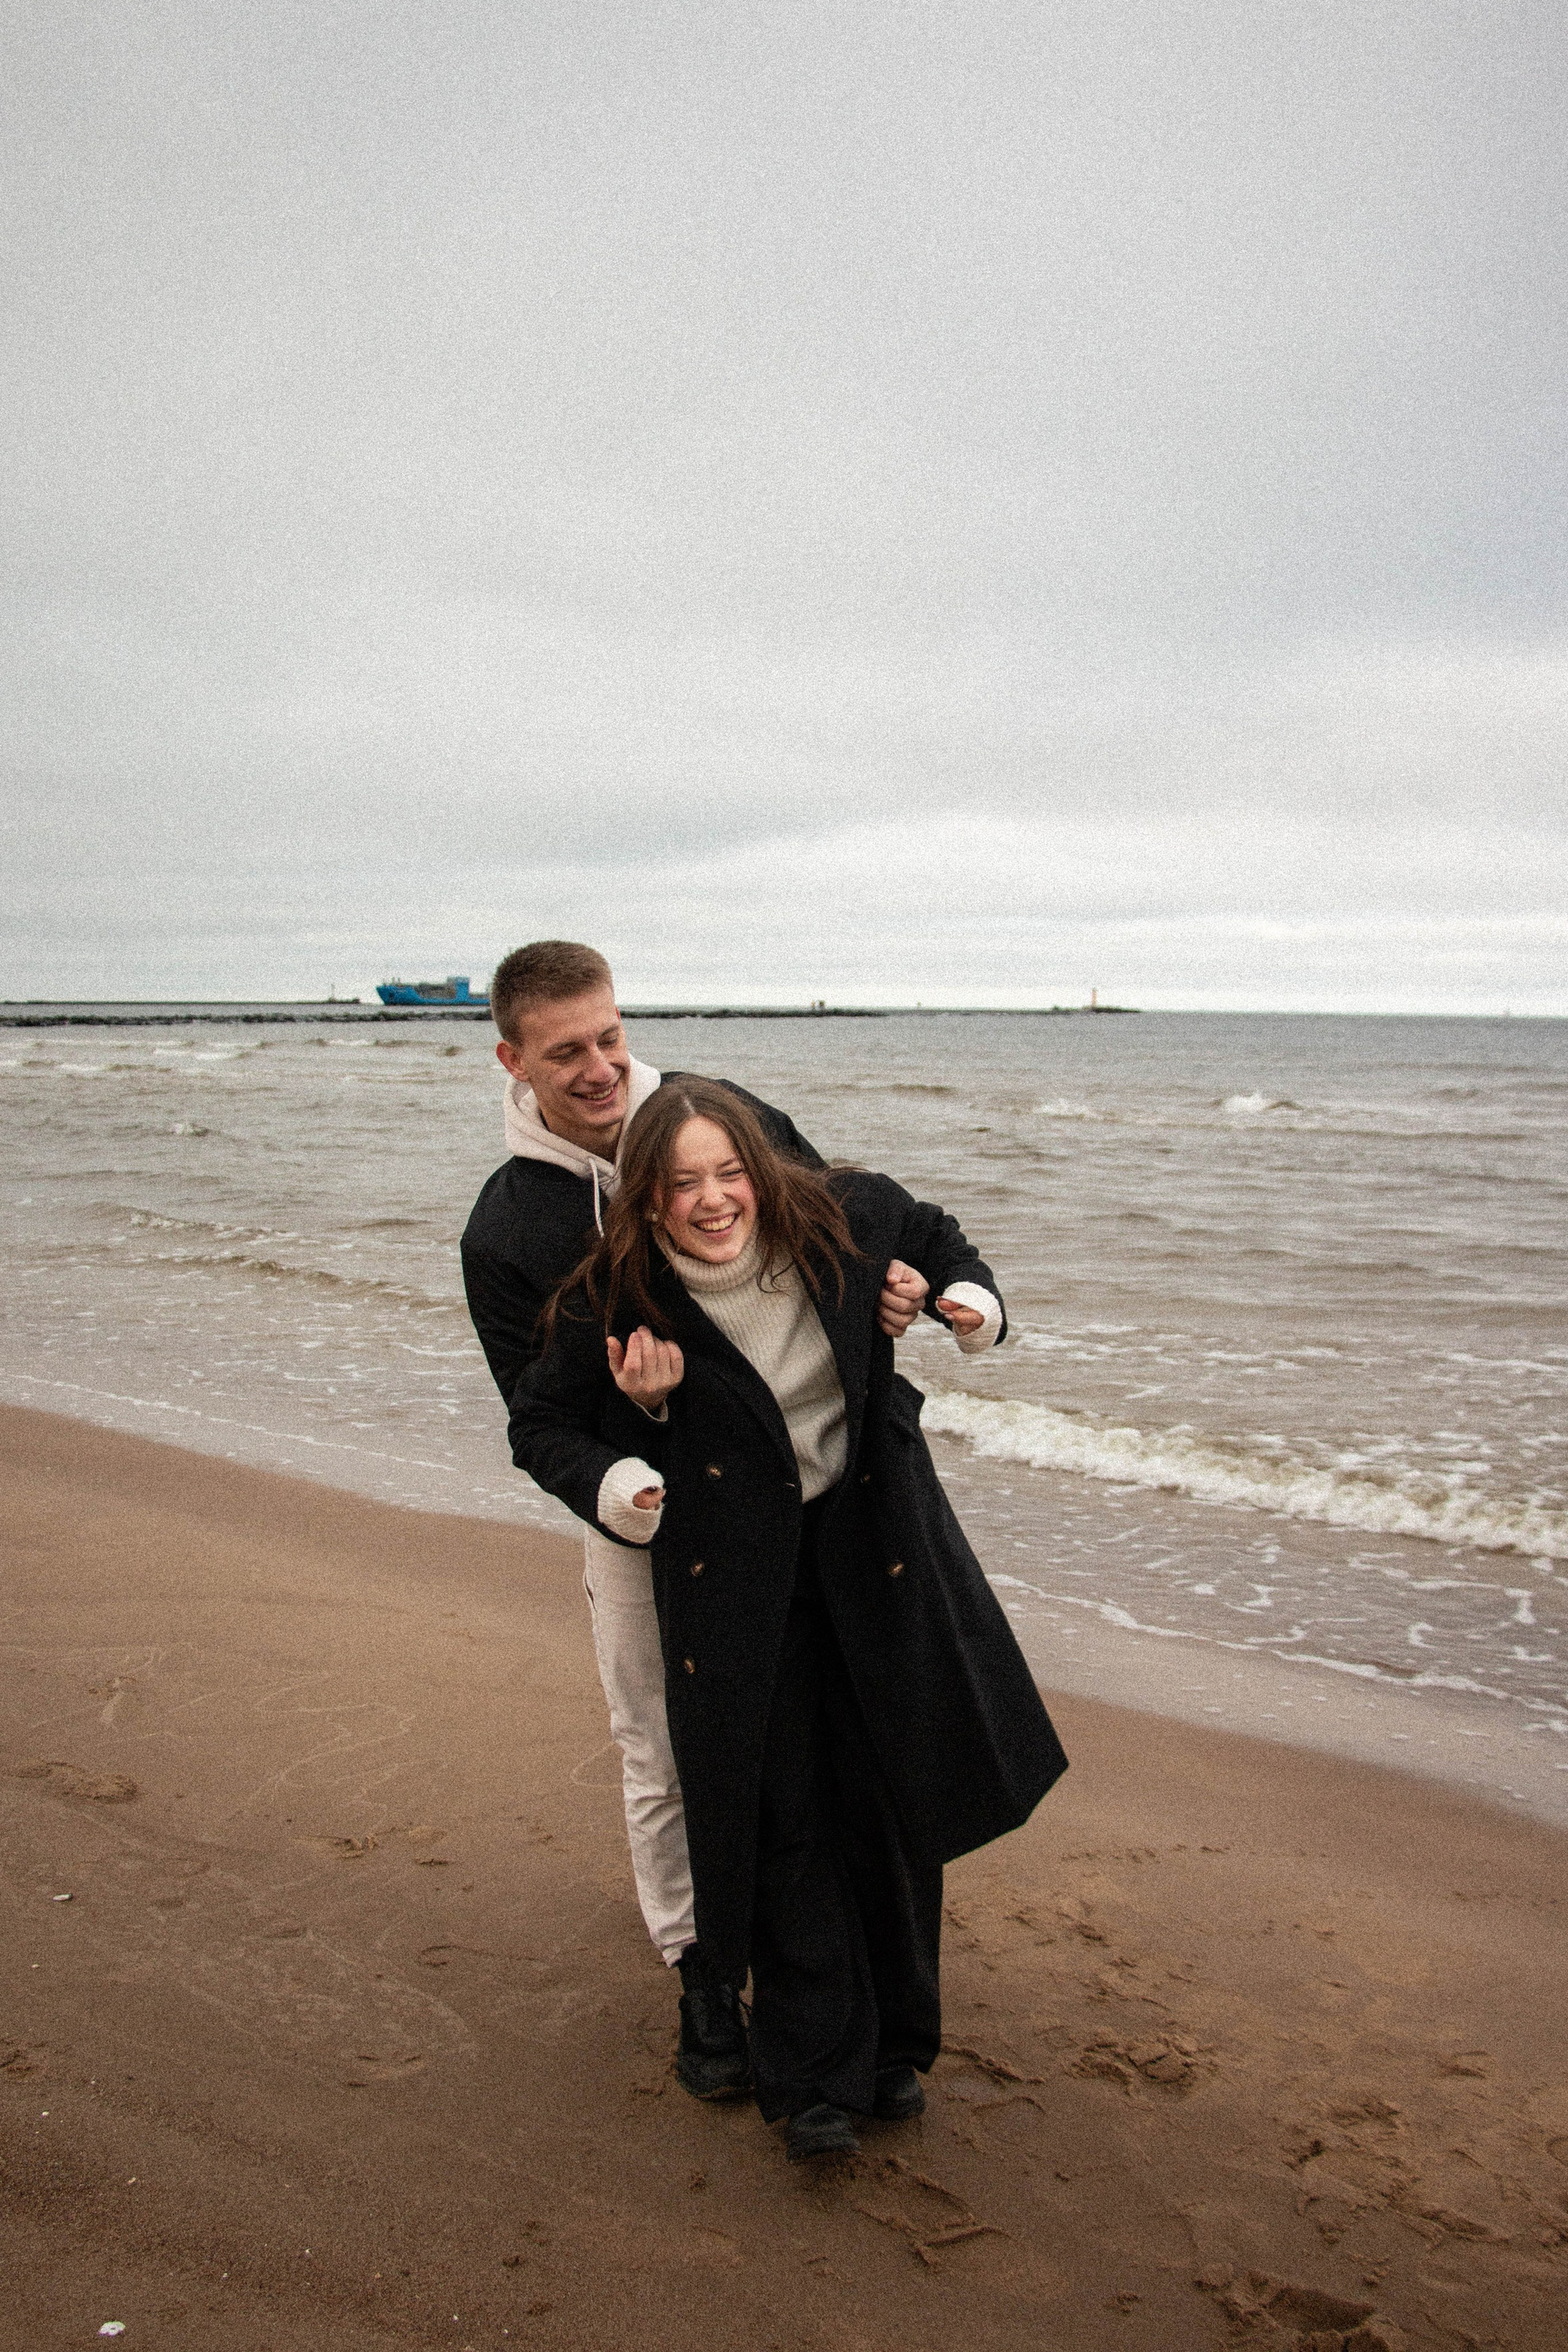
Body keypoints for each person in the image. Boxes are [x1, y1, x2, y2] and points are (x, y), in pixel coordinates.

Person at [510, 1079, 1067, 2161]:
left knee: (888, 1796)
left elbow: (936, 1235)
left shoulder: (841, 1217)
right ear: (648, 1198)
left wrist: (966, 1302)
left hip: (872, 1550)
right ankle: (812, 2073)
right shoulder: (618, 1297)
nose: (714, 1200)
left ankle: (895, 2049)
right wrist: (628, 1463)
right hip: (737, 1581)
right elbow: (540, 1424)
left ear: (761, 1172)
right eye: (684, 1184)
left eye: (730, 1173)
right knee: (784, 1807)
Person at [461, 942, 940, 2099]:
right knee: (663, 1742)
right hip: (650, 1518)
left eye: (610, 1036)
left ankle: (839, 1967)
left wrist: (897, 1295)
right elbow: (541, 1420)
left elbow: (827, 1243)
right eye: (565, 1052)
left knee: (822, 1733)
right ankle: (702, 1972)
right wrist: (641, 1422)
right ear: (512, 1060)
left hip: (796, 1499)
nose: (599, 1068)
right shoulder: (507, 1230)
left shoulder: (722, 1119)